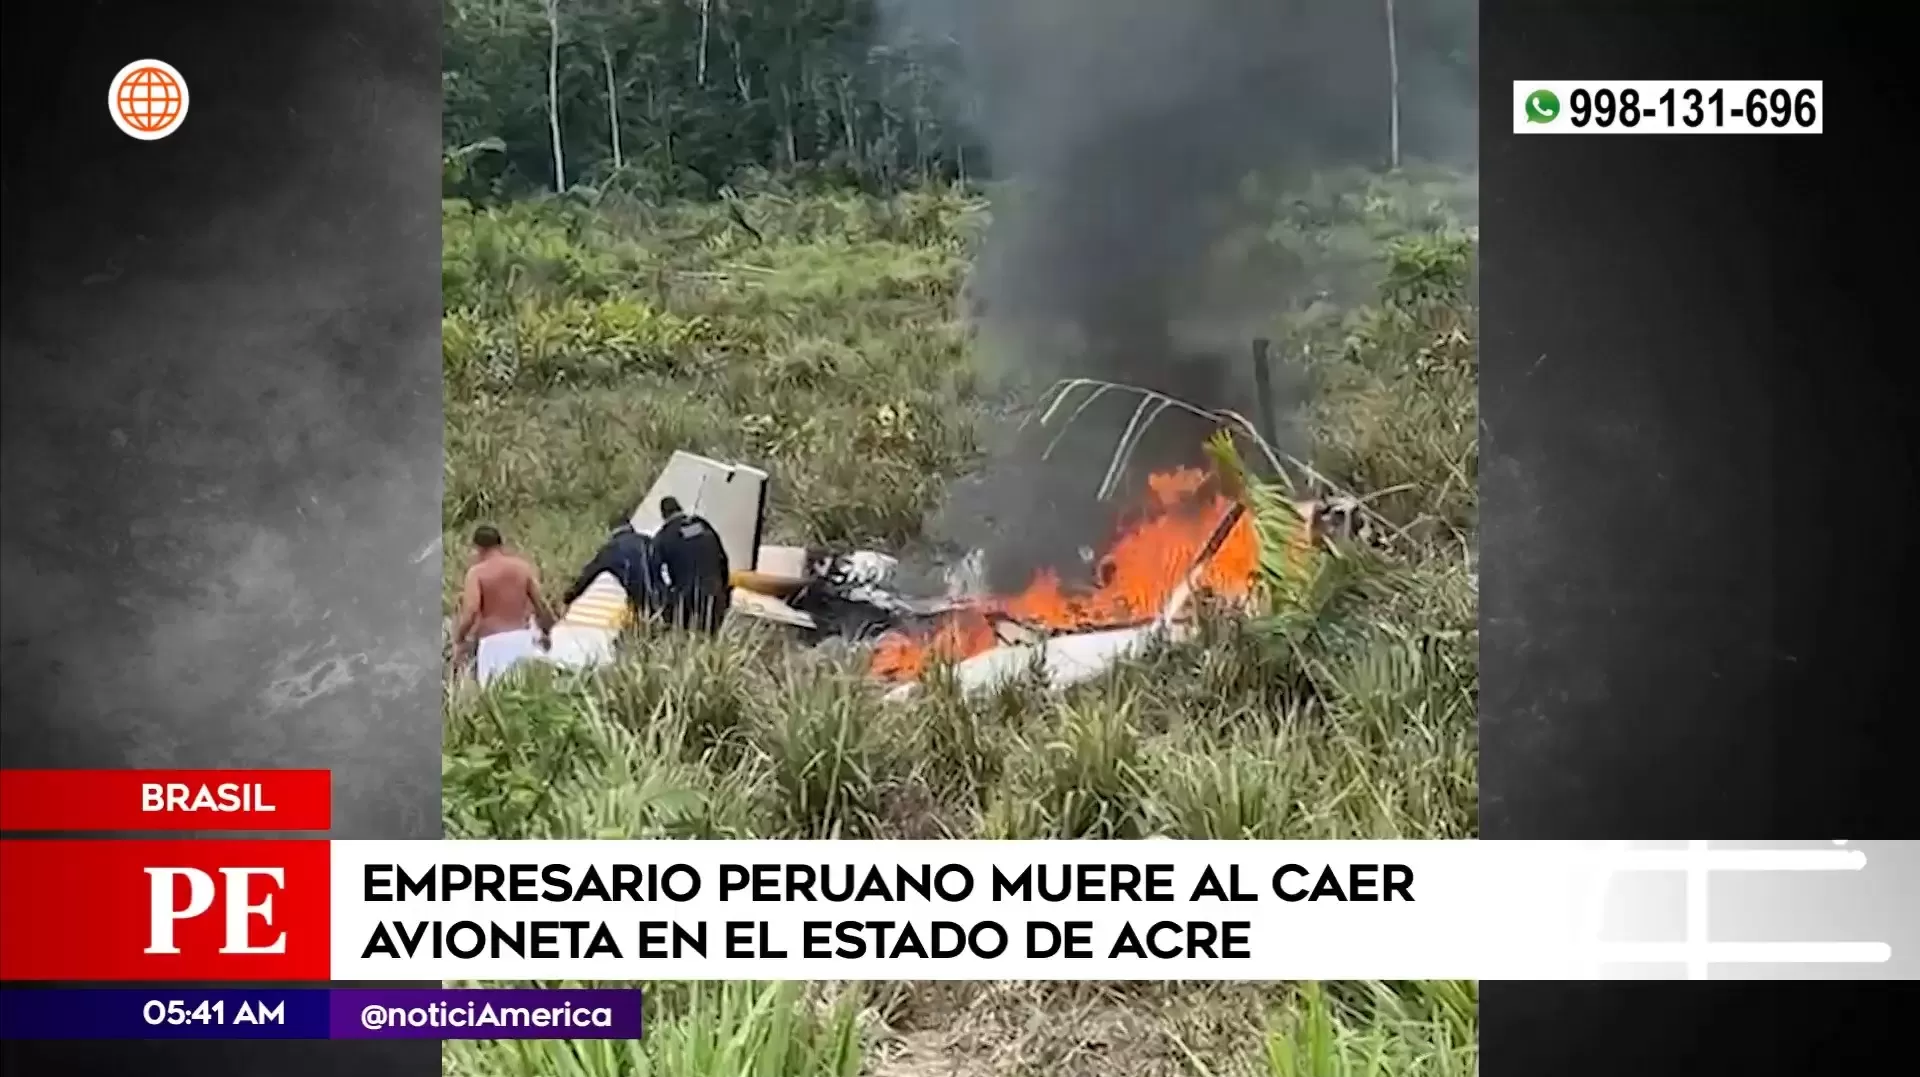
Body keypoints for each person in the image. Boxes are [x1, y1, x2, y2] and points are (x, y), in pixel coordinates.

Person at [451, 525, 558, 685]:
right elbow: (541, 604)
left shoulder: (476, 573)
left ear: (478, 548)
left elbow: (471, 611)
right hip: (522, 640)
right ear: (500, 545)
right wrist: (549, 632)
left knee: (494, 699)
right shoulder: (522, 568)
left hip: (492, 644)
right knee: (523, 693)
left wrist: (459, 639)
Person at [563, 510, 662, 622]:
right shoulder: (647, 541)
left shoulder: (611, 548)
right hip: (660, 601)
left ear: (612, 532)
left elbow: (591, 572)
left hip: (635, 605)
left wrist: (573, 593)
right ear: (630, 526)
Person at [651, 495, 731, 633]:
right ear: (680, 508)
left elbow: (657, 576)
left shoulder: (662, 538)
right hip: (714, 595)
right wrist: (723, 589)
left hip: (687, 602)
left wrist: (666, 602)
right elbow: (723, 560)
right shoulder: (703, 525)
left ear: (664, 515)